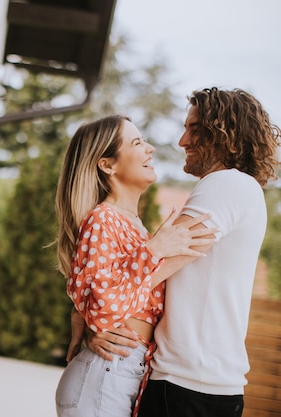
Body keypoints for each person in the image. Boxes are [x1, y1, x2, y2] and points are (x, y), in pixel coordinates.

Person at [77, 87, 281, 417]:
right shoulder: (239, 188)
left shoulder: (226, 184)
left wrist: (97, 316)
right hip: (199, 385)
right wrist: (89, 315)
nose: (182, 141)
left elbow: (149, 273)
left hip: (188, 386)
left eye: (194, 129)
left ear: (223, 133)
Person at [53, 115, 217, 417]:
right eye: (137, 142)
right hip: (105, 373)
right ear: (107, 164)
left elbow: (107, 291)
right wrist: (154, 250)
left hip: (122, 371)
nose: (150, 148)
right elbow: (105, 307)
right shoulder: (102, 218)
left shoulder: (134, 226)